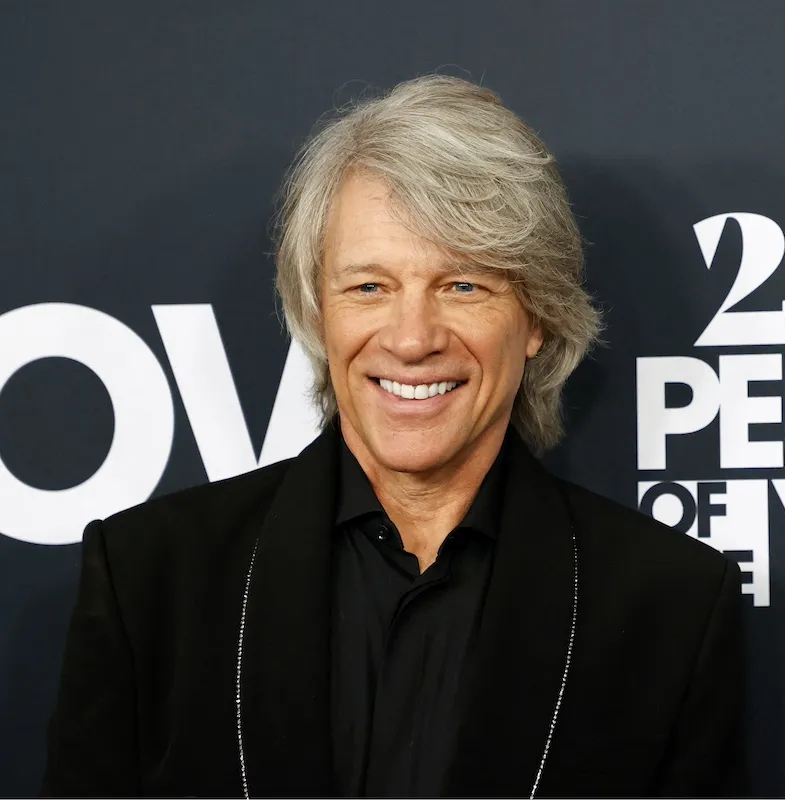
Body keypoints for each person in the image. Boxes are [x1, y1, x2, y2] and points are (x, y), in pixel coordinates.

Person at [41, 75, 745, 798]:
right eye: (369, 287)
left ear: (536, 319)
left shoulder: (669, 608)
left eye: (463, 285)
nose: (412, 340)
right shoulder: (151, 579)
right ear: (319, 315)